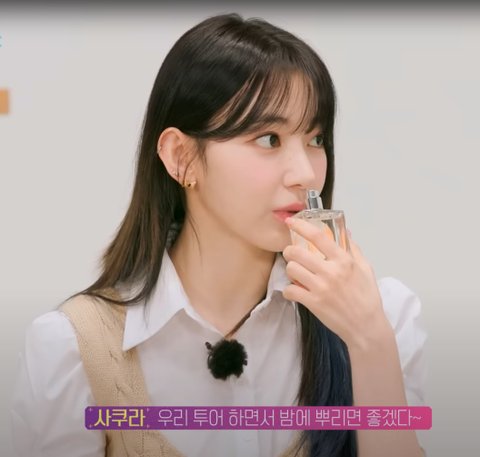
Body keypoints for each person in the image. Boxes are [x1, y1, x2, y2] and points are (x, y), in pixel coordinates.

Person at [10, 12, 427, 457]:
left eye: (316, 139)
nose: (307, 174)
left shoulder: (384, 317)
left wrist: (369, 342)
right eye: (269, 139)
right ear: (181, 157)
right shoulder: (74, 349)